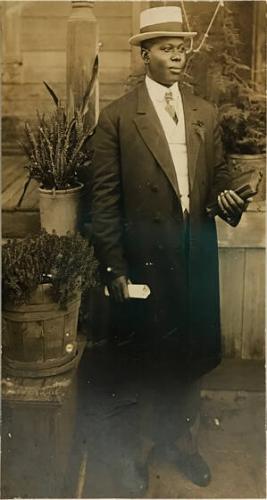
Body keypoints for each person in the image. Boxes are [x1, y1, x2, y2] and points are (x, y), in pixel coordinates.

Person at [90, 5, 249, 490]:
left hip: (194, 249)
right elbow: (104, 203)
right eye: (165, 48)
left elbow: (217, 176)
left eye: (181, 47)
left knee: (192, 352)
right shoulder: (118, 119)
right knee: (146, 355)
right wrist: (114, 268)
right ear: (144, 55)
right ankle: (138, 453)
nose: (178, 55)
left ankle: (183, 444)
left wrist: (229, 196)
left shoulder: (203, 111)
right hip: (146, 258)